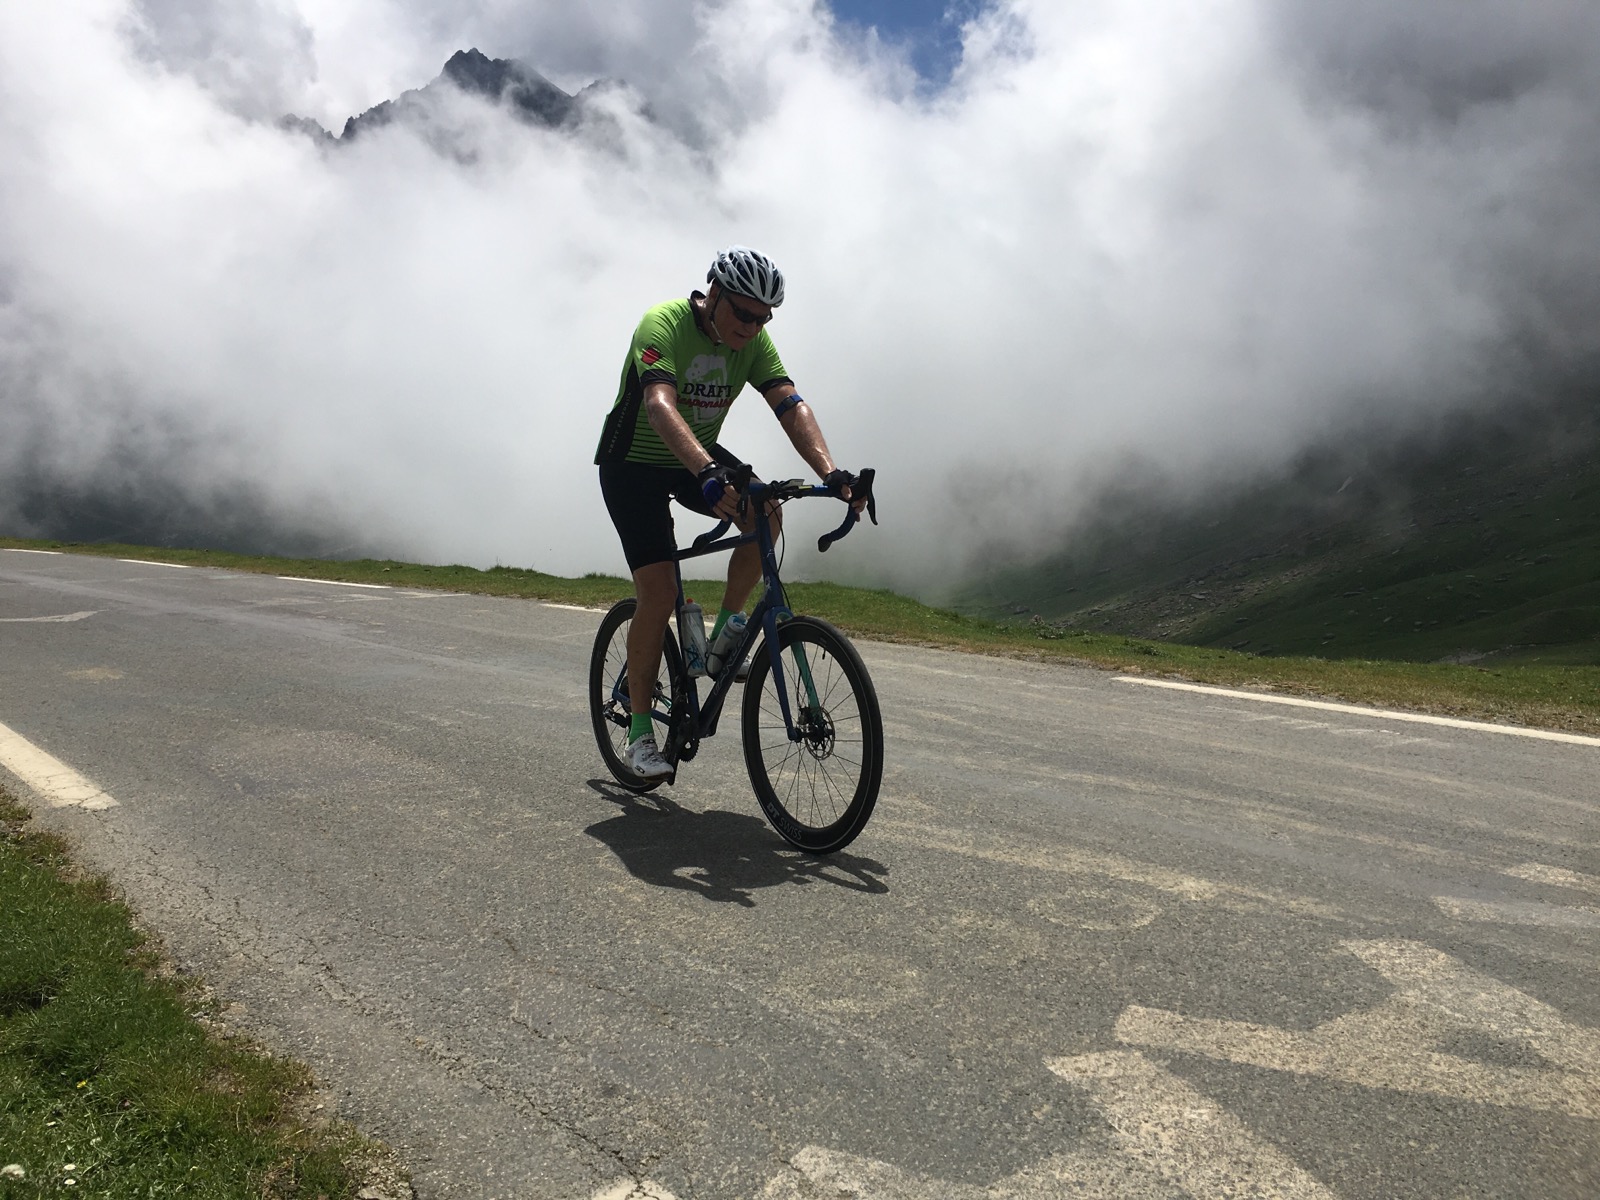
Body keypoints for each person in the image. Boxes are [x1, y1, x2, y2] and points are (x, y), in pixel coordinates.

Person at [595, 246, 860, 781]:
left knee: (767, 511)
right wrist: (705, 471)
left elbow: (789, 404)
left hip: (695, 457)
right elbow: (659, 406)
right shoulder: (663, 324)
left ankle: (723, 637)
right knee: (659, 594)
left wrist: (832, 472)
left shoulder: (753, 341)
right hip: (634, 465)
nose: (752, 326)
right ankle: (641, 735)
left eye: (764, 318)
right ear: (714, 293)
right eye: (743, 313)